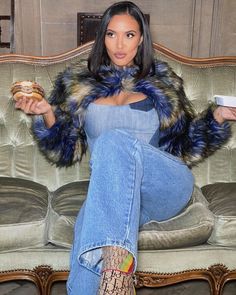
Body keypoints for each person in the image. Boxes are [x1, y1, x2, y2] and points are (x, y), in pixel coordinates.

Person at [14, 1, 236, 294]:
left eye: (129, 35)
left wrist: (217, 117)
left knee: (112, 140)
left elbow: (185, 144)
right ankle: (116, 282)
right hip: (115, 190)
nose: (119, 44)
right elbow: (64, 149)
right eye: (111, 34)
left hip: (164, 185)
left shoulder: (162, 81)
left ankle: (116, 280)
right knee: (88, 227)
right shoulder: (79, 83)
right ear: (102, 37)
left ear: (141, 38)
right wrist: (46, 112)